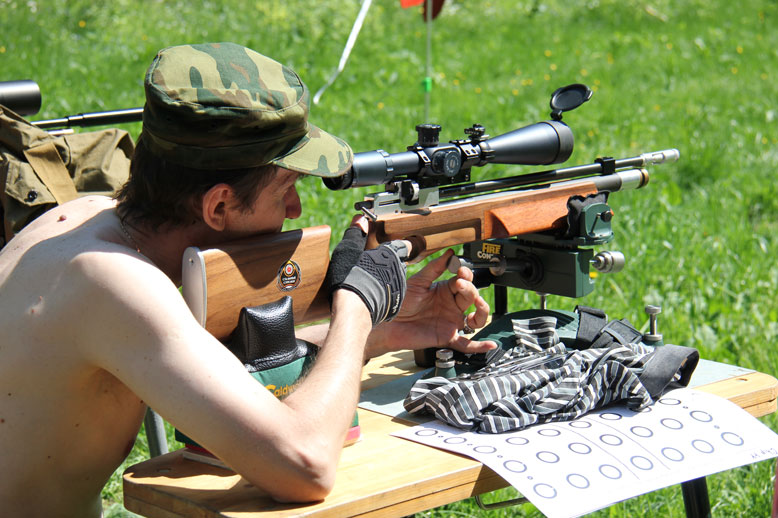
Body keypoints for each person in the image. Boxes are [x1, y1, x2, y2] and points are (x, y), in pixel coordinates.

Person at [0, 42, 495, 517]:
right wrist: (357, 306)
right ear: (218, 206)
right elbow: (304, 464)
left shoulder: (89, 218)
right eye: (285, 190)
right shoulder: (114, 282)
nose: (295, 209)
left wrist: (380, 329)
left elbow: (214, 366)